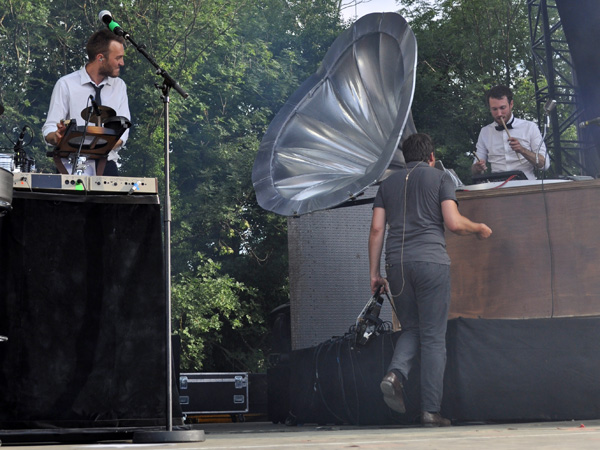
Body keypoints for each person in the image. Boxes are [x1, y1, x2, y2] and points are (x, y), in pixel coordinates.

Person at [369, 133, 492, 427]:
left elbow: (376, 230)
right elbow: (452, 222)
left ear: (405, 158)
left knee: (412, 328)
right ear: (431, 157)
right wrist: (478, 228)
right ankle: (430, 411)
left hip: (396, 266)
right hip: (431, 264)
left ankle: (395, 374)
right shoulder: (440, 179)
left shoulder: (387, 185)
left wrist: (374, 274)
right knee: (434, 337)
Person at [43, 29, 130, 176]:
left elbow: (124, 130)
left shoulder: (119, 86)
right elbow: (49, 128)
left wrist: (102, 147)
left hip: (106, 164)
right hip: (70, 165)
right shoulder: (66, 84)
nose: (122, 63)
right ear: (100, 58)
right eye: (118, 58)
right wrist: (56, 136)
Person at [471, 85, 549, 180]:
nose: (499, 114)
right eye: (494, 109)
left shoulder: (530, 127)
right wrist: (477, 167)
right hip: (497, 185)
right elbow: (475, 170)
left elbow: (544, 164)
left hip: (526, 185)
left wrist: (522, 150)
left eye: (502, 108)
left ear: (511, 104)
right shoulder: (485, 132)